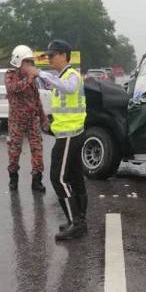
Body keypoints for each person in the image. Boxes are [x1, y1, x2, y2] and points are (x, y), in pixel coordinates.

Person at [38, 40, 88, 241]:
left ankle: (75, 223)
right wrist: (49, 124)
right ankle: (79, 221)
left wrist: (42, 74)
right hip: (68, 133)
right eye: (48, 56)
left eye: (52, 55)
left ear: (63, 55)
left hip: (70, 135)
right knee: (75, 177)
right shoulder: (61, 77)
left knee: (58, 178)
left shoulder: (72, 76)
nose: (49, 59)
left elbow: (67, 89)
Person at [5, 45, 48, 192]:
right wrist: (29, 78)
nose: (30, 65)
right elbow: (13, 89)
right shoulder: (10, 75)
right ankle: (13, 178)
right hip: (17, 121)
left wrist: (43, 118)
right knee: (14, 151)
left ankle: (37, 180)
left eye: (31, 62)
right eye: (27, 62)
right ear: (19, 62)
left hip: (32, 120)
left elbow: (37, 100)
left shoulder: (33, 80)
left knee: (37, 149)